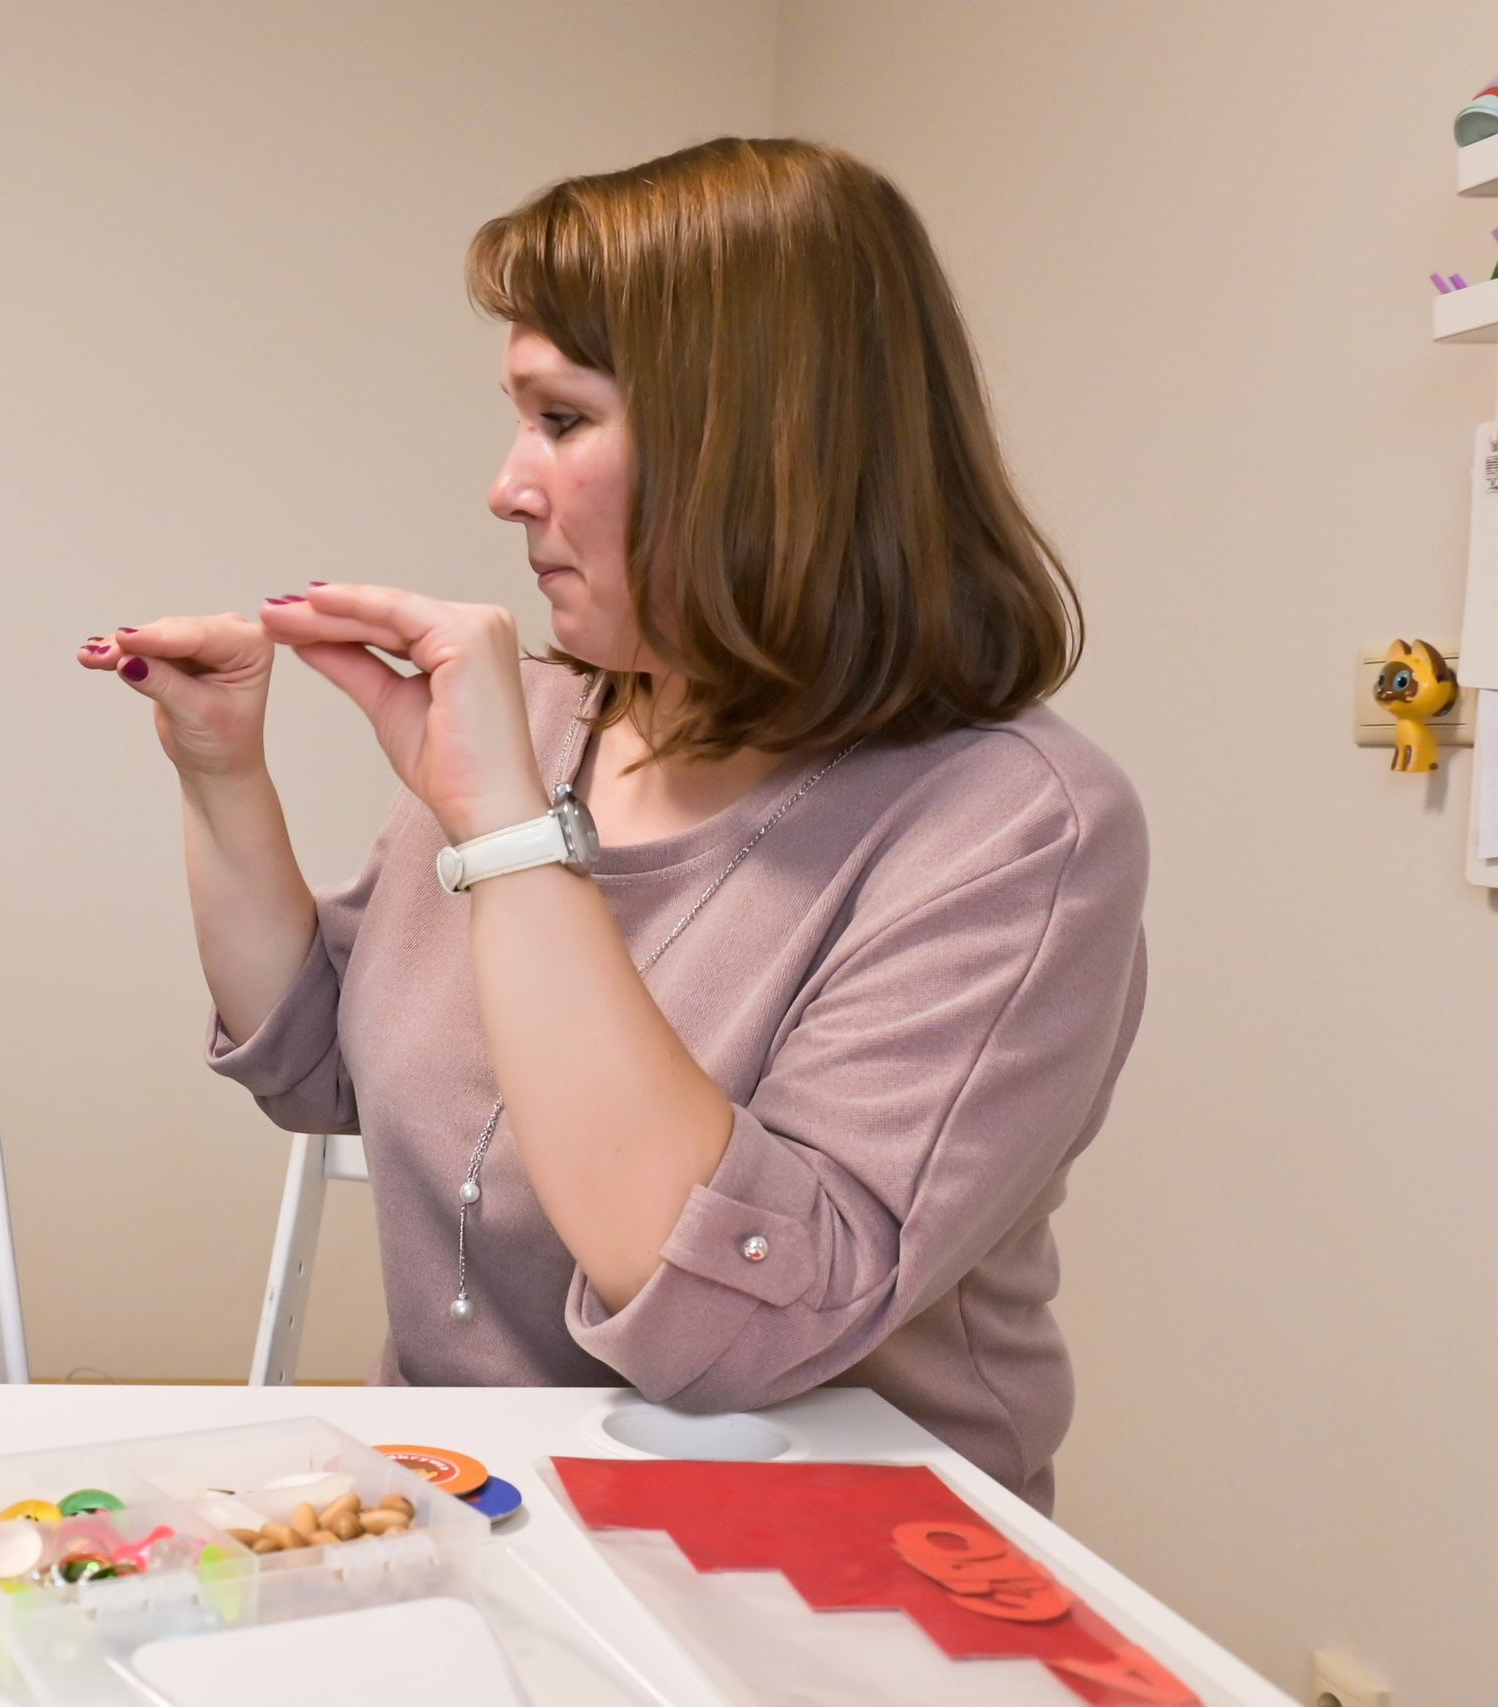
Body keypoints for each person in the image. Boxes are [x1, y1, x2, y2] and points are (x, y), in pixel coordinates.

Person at [80, 138, 1146, 1510]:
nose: (507, 484)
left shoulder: (1015, 829)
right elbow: (319, 1063)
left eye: (563, 419)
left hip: (820, 1560)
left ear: (760, 450)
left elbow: (734, 1325)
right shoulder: (546, 721)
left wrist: (508, 831)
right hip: (471, 1510)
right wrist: (223, 772)